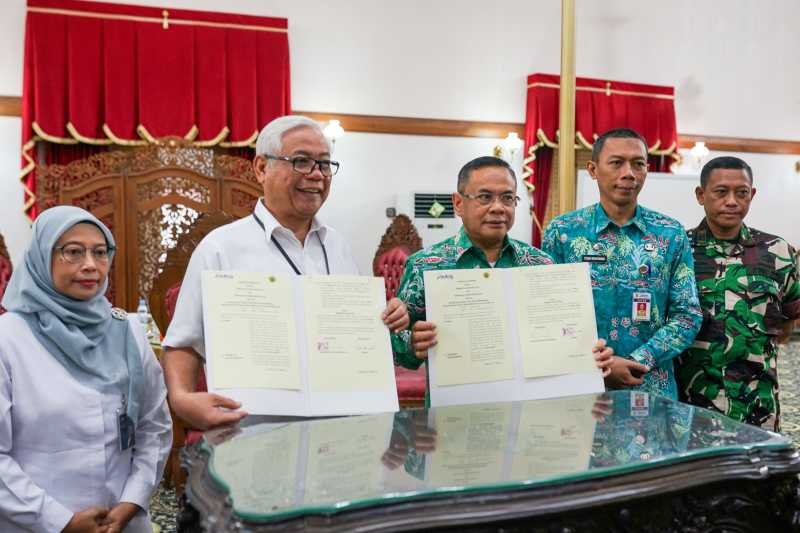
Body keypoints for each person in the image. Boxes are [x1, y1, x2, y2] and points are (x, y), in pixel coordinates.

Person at [163, 115, 409, 430]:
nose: (317, 175)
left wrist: (387, 317)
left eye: (324, 164)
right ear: (261, 168)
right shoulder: (221, 248)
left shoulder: (339, 246)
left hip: (343, 431)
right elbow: (183, 341)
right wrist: (182, 399)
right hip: (253, 433)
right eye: (302, 161)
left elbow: (355, 328)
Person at [0, 206, 171, 533]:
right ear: (41, 257)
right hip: (32, 523)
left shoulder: (128, 332)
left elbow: (154, 426)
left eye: (100, 252)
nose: (91, 265)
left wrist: (132, 501)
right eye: (73, 252)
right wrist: (60, 521)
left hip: (121, 520)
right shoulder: (8, 339)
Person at [392, 156, 614, 405]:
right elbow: (396, 345)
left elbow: (562, 336)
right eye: (485, 197)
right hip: (455, 414)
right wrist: (412, 344)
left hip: (531, 413)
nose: (498, 207)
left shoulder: (540, 264)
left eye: (507, 198)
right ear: (458, 203)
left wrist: (587, 353)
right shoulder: (426, 265)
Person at [542, 128, 702, 399]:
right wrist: (600, 364)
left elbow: (687, 315)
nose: (629, 173)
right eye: (616, 163)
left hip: (650, 387)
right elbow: (546, 311)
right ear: (593, 170)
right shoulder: (564, 232)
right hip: (580, 384)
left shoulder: (670, 233)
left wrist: (639, 359)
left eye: (638, 164)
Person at [676, 156, 800, 431]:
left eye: (741, 193)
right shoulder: (679, 250)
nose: (732, 201)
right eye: (721, 192)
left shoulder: (778, 251)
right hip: (692, 405)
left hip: (758, 405)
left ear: (751, 195)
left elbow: (788, 321)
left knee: (759, 473)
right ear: (701, 195)